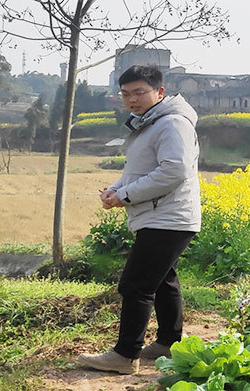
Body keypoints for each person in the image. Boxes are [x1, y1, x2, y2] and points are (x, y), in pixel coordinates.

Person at [77, 65, 201, 374]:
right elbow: (140, 169)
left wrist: (126, 195)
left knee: (135, 284)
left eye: (139, 93)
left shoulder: (172, 123)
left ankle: (125, 355)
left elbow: (174, 170)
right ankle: (169, 344)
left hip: (168, 217)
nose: (132, 99)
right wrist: (117, 189)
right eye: (126, 94)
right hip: (162, 215)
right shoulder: (152, 123)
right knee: (163, 281)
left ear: (159, 92)